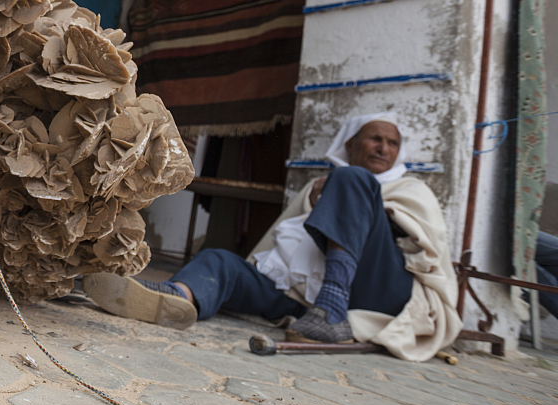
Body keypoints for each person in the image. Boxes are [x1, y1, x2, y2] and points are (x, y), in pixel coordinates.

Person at [84, 113, 461, 361]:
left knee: (352, 180)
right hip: (303, 304)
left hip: (377, 293)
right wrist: (323, 202)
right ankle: (178, 297)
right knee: (221, 261)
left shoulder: (409, 189)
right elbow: (281, 251)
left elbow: (424, 250)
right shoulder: (320, 186)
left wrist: (350, 195)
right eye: (374, 139)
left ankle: (331, 308)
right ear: (349, 145)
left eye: (392, 143)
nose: (383, 148)